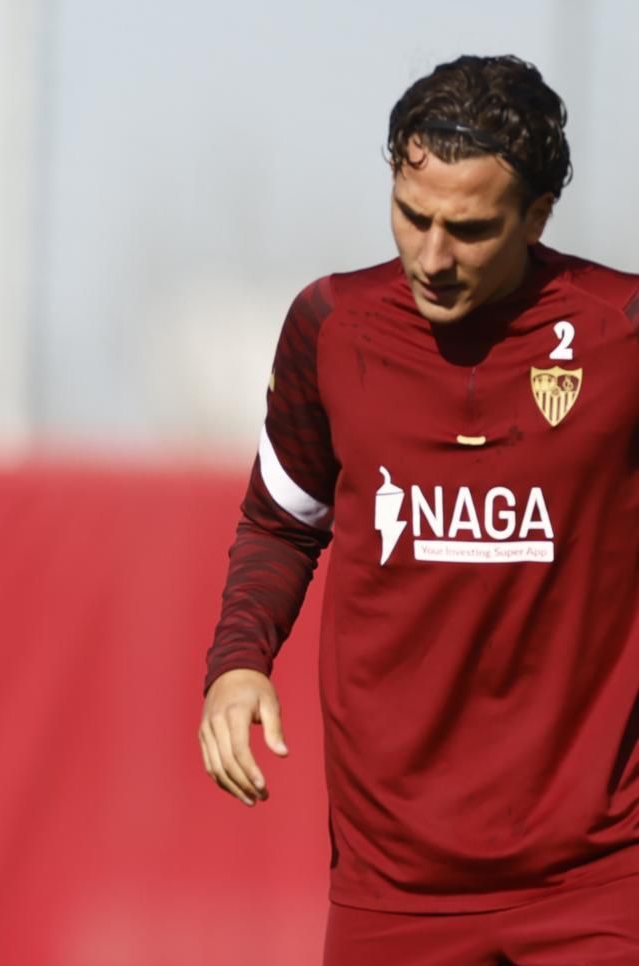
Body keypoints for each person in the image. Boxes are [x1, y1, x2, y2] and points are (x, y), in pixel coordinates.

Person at [199, 54, 639, 963]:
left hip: (602, 875)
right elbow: (282, 522)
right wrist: (239, 662)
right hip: (393, 885)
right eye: (413, 216)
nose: (432, 257)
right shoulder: (331, 325)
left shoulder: (621, 334)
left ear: (538, 216)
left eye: (470, 229)